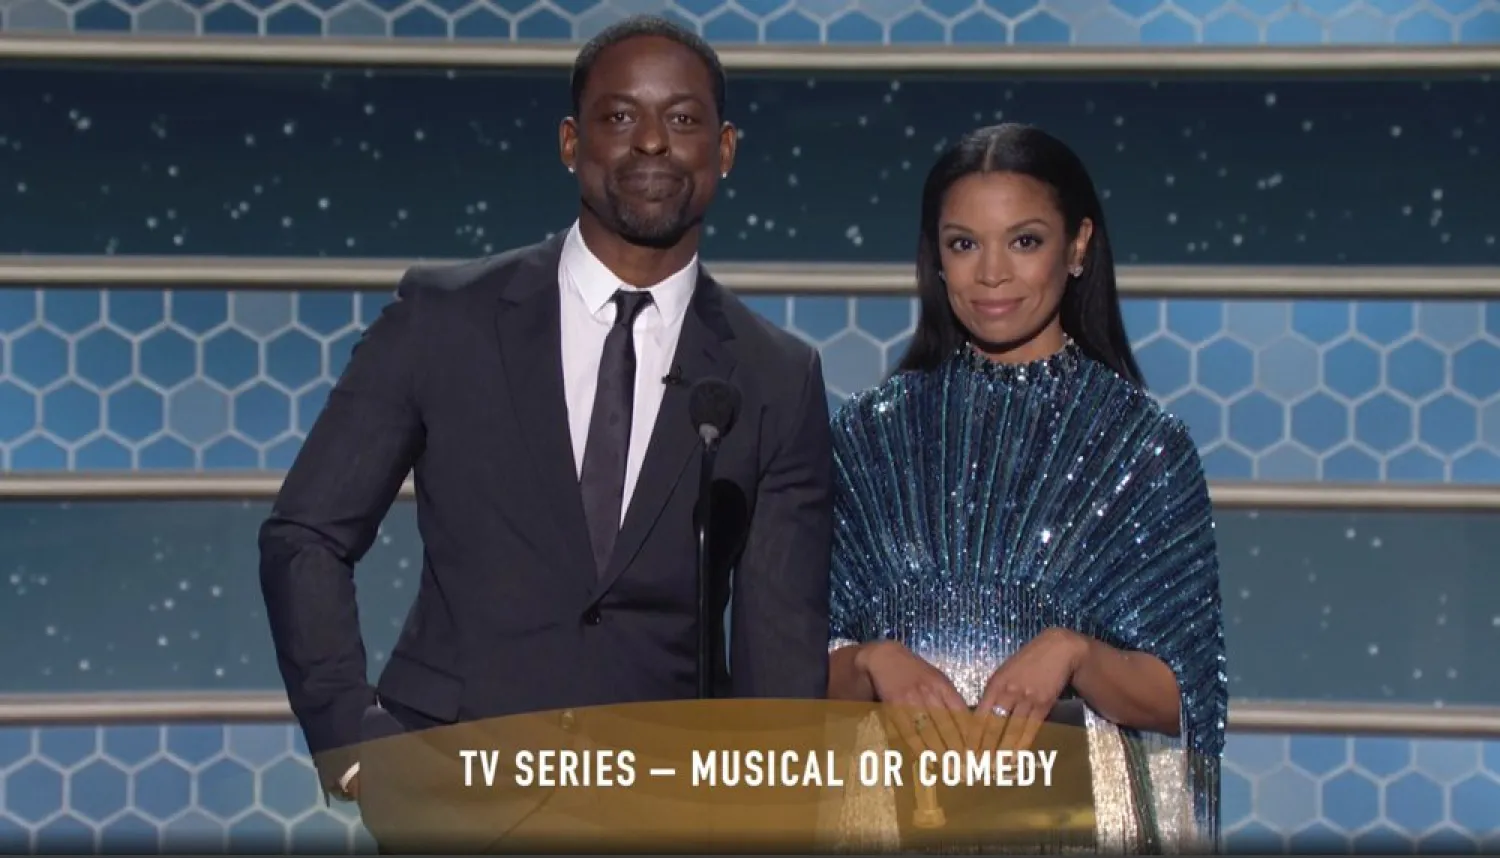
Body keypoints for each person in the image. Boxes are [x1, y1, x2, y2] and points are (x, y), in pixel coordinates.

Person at [258, 14, 834, 824]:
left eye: (682, 119)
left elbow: (780, 657)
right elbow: (305, 536)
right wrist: (354, 746)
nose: (651, 143)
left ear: (725, 150)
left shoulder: (778, 375)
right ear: (572, 142)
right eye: (620, 115)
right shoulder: (443, 316)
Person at [824, 124, 1227, 853]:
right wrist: (869, 660)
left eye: (1025, 241)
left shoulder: (1144, 446)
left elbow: (1186, 699)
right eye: (964, 243)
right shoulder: (866, 437)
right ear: (936, 259)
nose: (991, 275)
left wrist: (1075, 654)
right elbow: (786, 681)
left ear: (1078, 248)